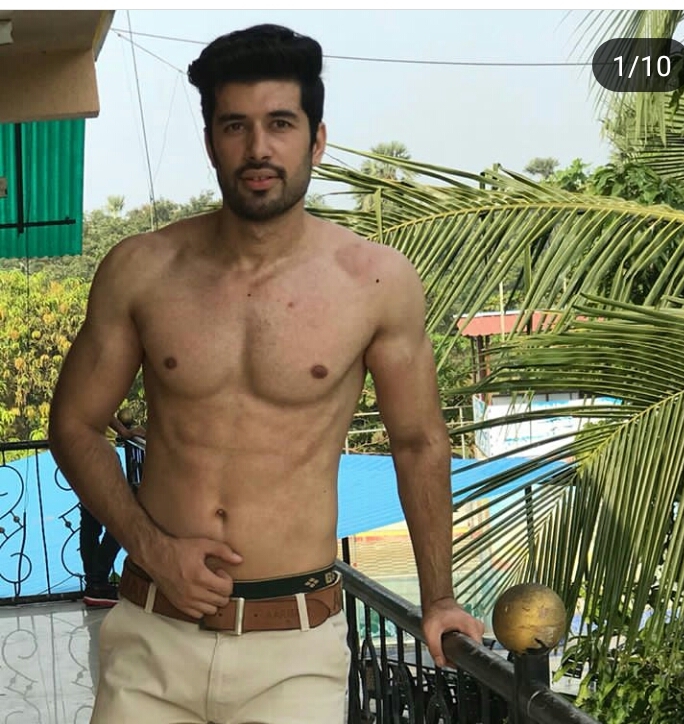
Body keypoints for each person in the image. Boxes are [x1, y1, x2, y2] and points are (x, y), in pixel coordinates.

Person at [49, 23, 484, 724]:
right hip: (152, 636)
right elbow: (73, 424)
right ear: (210, 141)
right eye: (236, 126)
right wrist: (153, 548)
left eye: (281, 124)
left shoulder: (374, 282)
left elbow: (419, 441)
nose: (258, 148)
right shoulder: (142, 269)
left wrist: (438, 599)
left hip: (294, 655)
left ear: (316, 139)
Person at [79, 411, 145, 607]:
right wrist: (124, 431)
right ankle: (97, 582)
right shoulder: (93, 389)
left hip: (82, 455)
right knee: (121, 521)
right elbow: (100, 408)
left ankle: (94, 584)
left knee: (90, 524)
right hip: (101, 454)